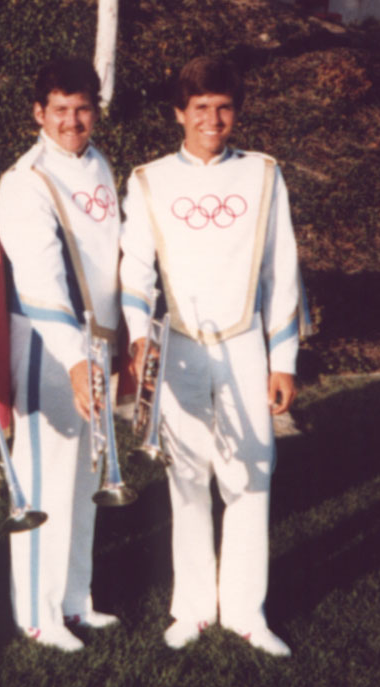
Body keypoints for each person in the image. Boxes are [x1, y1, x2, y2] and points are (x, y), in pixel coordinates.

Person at [120, 56, 311, 656]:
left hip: (244, 344)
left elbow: (283, 271)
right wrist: (137, 334)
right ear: (180, 112)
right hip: (178, 346)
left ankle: (247, 612)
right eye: (200, 107)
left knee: (251, 477)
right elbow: (134, 267)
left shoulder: (263, 175)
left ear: (237, 111)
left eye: (224, 107)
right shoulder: (148, 179)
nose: (212, 118)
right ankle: (195, 607)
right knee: (187, 477)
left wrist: (283, 359)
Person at [0, 58, 124, 652]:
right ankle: (36, 615)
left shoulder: (98, 164)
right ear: (38, 113)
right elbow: (39, 282)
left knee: (88, 475)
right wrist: (75, 358)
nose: (72, 120)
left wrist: (113, 348)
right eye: (59, 109)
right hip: (48, 346)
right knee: (44, 480)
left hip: (97, 345)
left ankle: (74, 600)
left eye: (83, 108)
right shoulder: (25, 180)